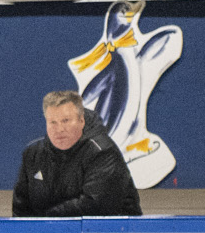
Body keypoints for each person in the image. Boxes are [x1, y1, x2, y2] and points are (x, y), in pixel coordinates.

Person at [13, 89, 143, 217]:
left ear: (81, 121)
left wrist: (47, 222)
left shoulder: (103, 152)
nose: (60, 129)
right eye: (53, 122)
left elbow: (96, 206)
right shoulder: (33, 154)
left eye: (66, 121)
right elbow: (21, 208)